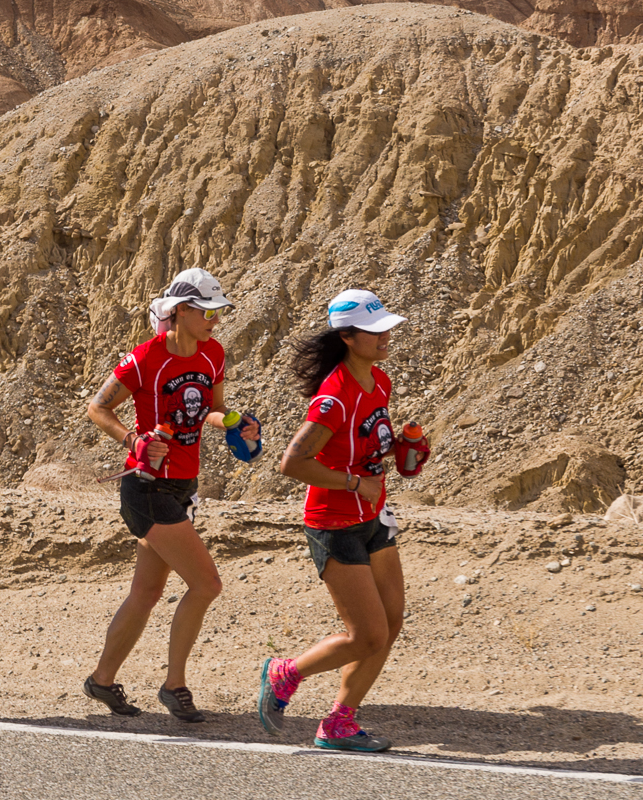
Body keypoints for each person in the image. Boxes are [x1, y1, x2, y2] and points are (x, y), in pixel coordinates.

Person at [83, 267, 259, 723]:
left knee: (146, 591)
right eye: (206, 312)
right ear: (180, 311)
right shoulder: (144, 358)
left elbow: (213, 412)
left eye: (217, 313)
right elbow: (97, 408)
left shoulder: (213, 353)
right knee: (207, 584)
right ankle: (174, 685)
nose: (215, 321)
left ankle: (101, 681)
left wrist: (237, 423)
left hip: (183, 486)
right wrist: (132, 440)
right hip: (146, 487)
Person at [258, 288, 414, 753]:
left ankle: (340, 722)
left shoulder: (378, 381)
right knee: (366, 635)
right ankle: (285, 673)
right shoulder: (333, 398)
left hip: (374, 516)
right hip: (335, 522)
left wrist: (401, 450)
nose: (386, 336)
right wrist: (351, 483)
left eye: (385, 326)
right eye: (374, 330)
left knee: (390, 622)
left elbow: (366, 445)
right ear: (348, 337)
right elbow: (292, 463)